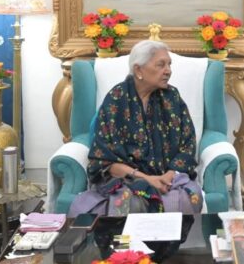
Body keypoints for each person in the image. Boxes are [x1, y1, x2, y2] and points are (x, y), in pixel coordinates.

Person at [84, 40, 202, 215]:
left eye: (169, 64)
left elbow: (188, 144)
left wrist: (169, 175)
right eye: (161, 65)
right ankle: (127, 243)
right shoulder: (117, 98)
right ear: (139, 70)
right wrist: (147, 179)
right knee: (129, 201)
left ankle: (175, 243)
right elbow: (103, 160)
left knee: (191, 196)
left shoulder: (172, 97)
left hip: (169, 177)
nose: (168, 70)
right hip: (128, 179)